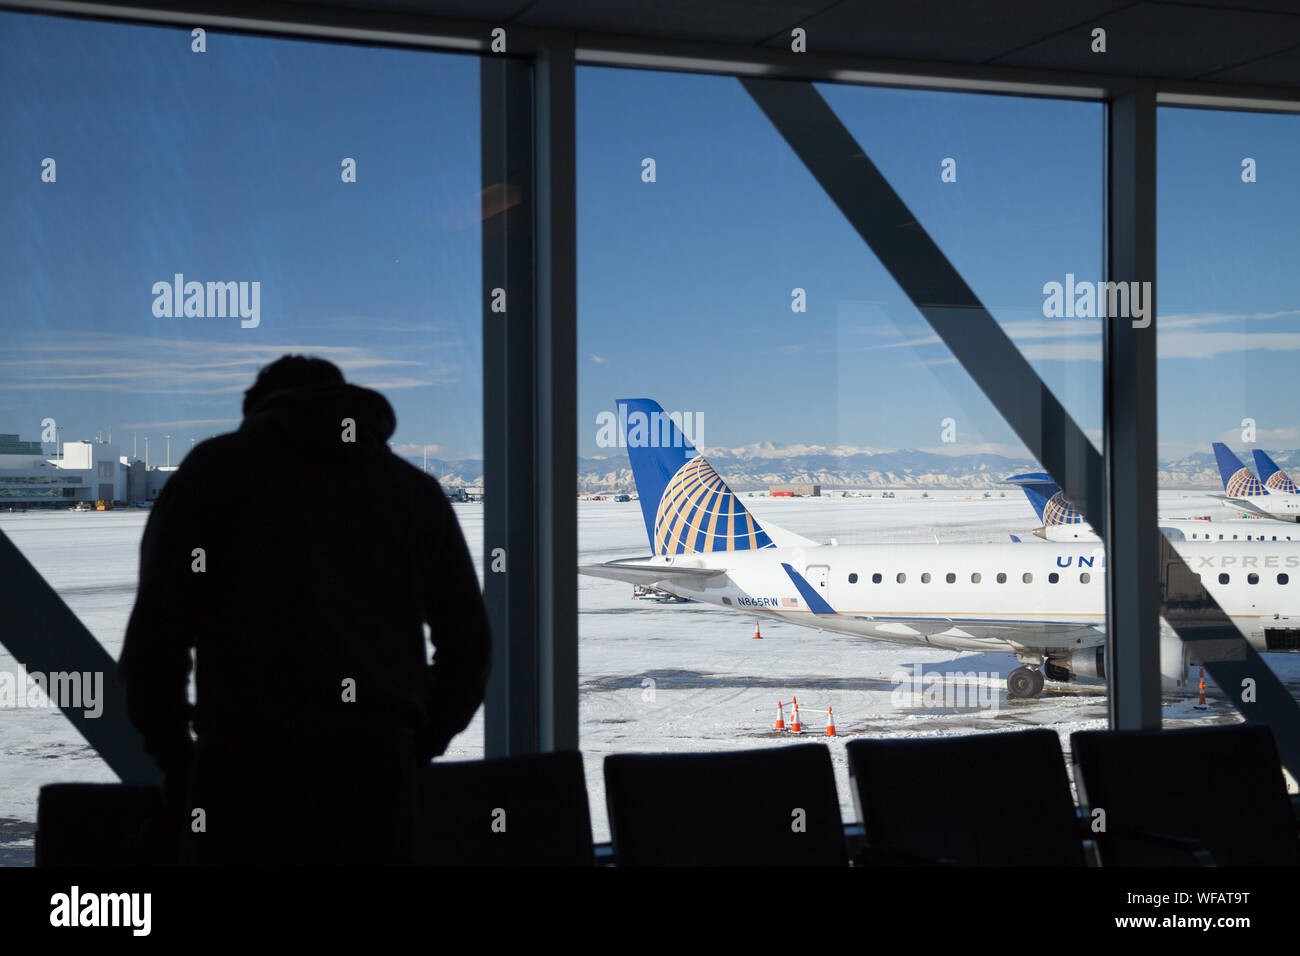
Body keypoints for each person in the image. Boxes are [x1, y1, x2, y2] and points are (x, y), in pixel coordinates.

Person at [118, 355, 491, 864]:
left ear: (256, 408)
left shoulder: (210, 474)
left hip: (240, 776)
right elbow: (469, 646)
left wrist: (182, 765)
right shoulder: (411, 490)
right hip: (376, 785)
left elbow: (153, 647)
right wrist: (413, 746)